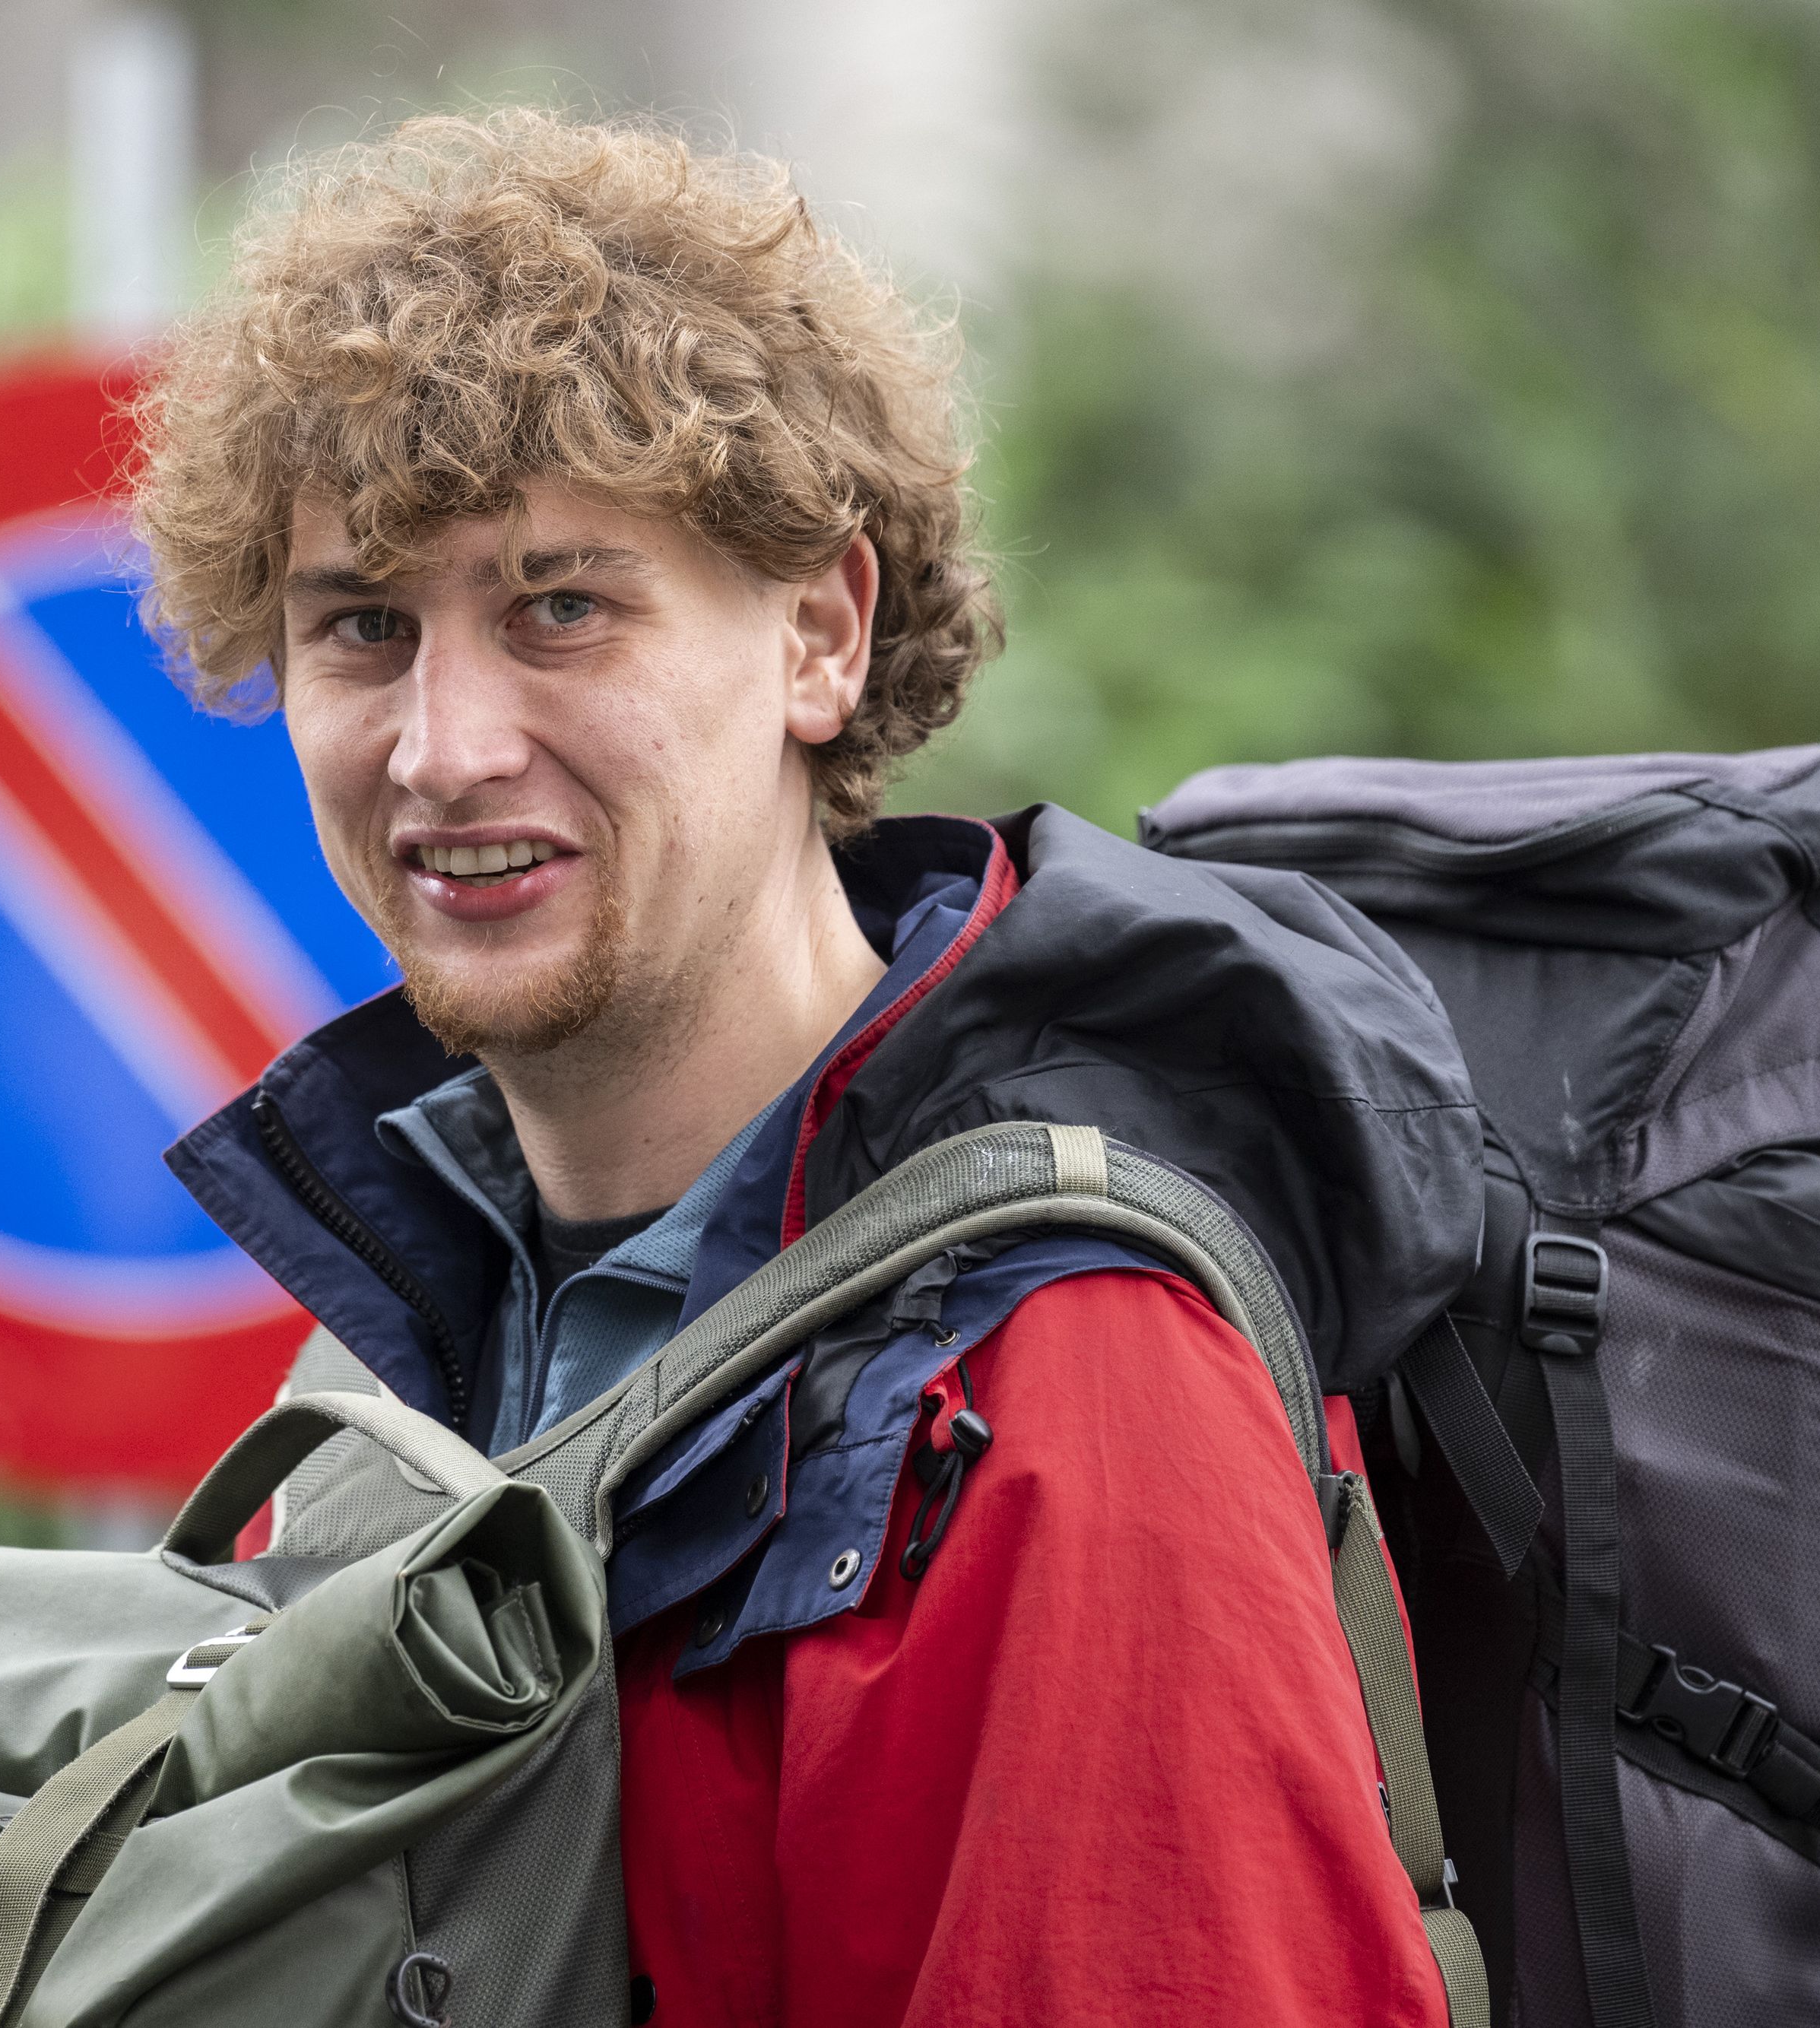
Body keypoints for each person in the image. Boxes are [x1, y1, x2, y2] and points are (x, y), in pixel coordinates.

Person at [133, 109, 1481, 2027]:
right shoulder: (393, 1358)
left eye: (559, 607)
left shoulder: (1054, 1382)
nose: (440, 746)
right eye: (362, 625)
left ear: (819, 636)